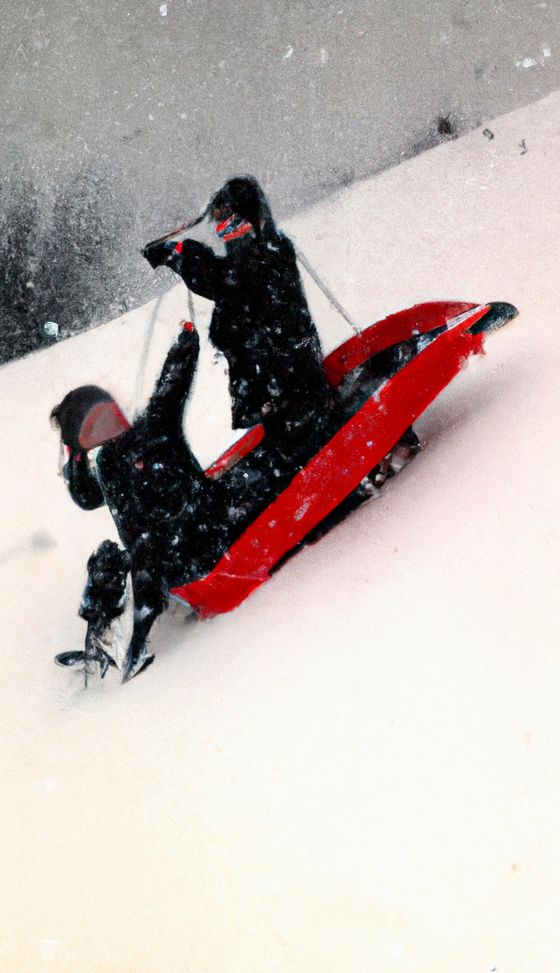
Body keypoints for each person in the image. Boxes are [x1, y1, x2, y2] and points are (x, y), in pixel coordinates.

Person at [52, 322, 234, 682]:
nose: (109, 424)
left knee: (146, 542)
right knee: (110, 557)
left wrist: (186, 341)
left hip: (205, 536)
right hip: (167, 563)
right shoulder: (107, 465)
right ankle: (101, 641)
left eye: (108, 415)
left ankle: (140, 640)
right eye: (94, 426)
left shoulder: (154, 428)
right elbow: (85, 497)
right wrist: (74, 457)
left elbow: (172, 387)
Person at [142, 176, 340, 466]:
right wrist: (177, 254)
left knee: (301, 448)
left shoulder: (266, 256)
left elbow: (220, 278)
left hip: (292, 388)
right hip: (280, 387)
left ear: (253, 218)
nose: (228, 233)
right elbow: (220, 278)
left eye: (233, 222)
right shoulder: (262, 256)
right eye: (221, 225)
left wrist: (178, 254)